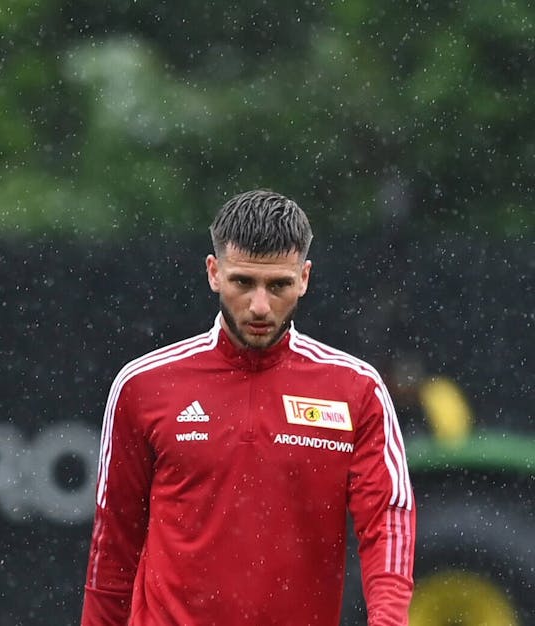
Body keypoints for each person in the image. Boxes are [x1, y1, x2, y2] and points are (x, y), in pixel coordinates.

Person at [81, 190, 415, 625]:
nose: (260, 305)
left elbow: (388, 520)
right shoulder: (143, 385)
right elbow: (113, 548)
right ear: (214, 272)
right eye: (243, 282)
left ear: (305, 278)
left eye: (278, 285)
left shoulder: (356, 389)